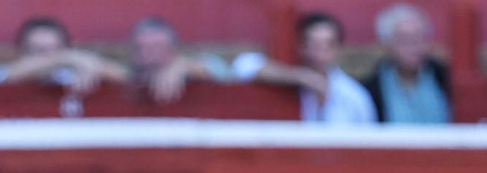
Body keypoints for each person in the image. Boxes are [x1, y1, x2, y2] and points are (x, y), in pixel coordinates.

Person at [232, 12, 377, 123]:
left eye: (328, 46)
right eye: (313, 45)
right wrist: (302, 77)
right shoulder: (290, 85)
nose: (319, 53)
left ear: (339, 49)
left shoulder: (354, 95)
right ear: (301, 47)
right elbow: (243, 65)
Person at [0, 16, 128, 93]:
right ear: (21, 52)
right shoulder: (12, 71)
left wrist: (85, 63)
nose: (46, 58)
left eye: (52, 50)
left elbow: (127, 77)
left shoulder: (72, 70)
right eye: (37, 51)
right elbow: (1, 76)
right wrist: (60, 58)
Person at [362, 3, 451, 123]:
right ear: (387, 45)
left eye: (420, 38)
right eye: (404, 40)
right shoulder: (370, 88)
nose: (414, 47)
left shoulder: (447, 78)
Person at [128, 17, 227, 104]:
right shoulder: (128, 75)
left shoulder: (188, 68)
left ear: (174, 50)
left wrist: (185, 66)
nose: (150, 56)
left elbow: (221, 73)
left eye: (158, 48)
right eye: (141, 48)